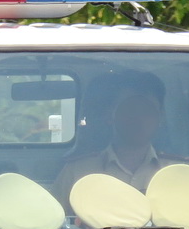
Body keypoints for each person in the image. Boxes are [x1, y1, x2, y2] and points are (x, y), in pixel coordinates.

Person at [55, 71, 176, 199]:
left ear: (160, 117)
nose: (139, 118)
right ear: (110, 115)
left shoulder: (180, 173)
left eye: (147, 110)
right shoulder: (77, 172)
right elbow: (57, 217)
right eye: (130, 109)